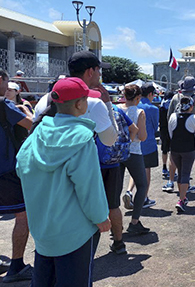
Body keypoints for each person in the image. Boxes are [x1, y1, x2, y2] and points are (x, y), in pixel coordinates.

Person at [15, 77, 111, 286]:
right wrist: (100, 217)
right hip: (75, 232)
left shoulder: (37, 132)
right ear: (79, 104)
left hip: (43, 228)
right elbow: (89, 187)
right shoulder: (83, 137)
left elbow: (21, 166)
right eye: (86, 99)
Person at [34, 51, 123, 254]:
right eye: (99, 70)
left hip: (47, 189)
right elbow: (111, 139)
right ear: (91, 71)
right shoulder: (93, 103)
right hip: (77, 188)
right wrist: (108, 104)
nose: (100, 75)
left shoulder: (45, 100)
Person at [0, 68, 33, 283]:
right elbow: (32, 125)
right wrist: (27, 109)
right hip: (7, 170)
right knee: (23, 217)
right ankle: (17, 266)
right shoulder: (4, 105)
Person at [165, 76, 195, 192]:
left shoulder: (175, 97)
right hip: (190, 134)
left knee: (173, 158)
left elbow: (168, 116)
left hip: (175, 132)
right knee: (187, 161)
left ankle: (170, 182)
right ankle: (185, 184)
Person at [118, 85, 151, 235]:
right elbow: (143, 136)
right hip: (134, 151)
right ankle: (134, 222)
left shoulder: (116, 108)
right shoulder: (139, 112)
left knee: (115, 188)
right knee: (142, 185)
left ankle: (115, 225)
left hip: (116, 152)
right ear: (138, 98)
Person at [168, 97, 195, 213]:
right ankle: (181, 200)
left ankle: (183, 197)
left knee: (181, 172)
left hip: (175, 149)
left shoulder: (172, 116)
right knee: (186, 173)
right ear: (191, 106)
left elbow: (170, 133)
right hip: (188, 149)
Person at [136, 83, 159, 209]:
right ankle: (144, 197)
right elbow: (155, 127)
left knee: (135, 171)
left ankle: (130, 192)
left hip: (135, 144)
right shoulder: (153, 109)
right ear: (150, 94)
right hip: (149, 143)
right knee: (146, 171)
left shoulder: (135, 106)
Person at [159, 91, 174, 179]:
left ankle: (164, 167)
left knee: (164, 150)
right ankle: (172, 169)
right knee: (172, 151)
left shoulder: (161, 106)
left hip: (163, 129)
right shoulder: (172, 106)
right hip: (171, 129)